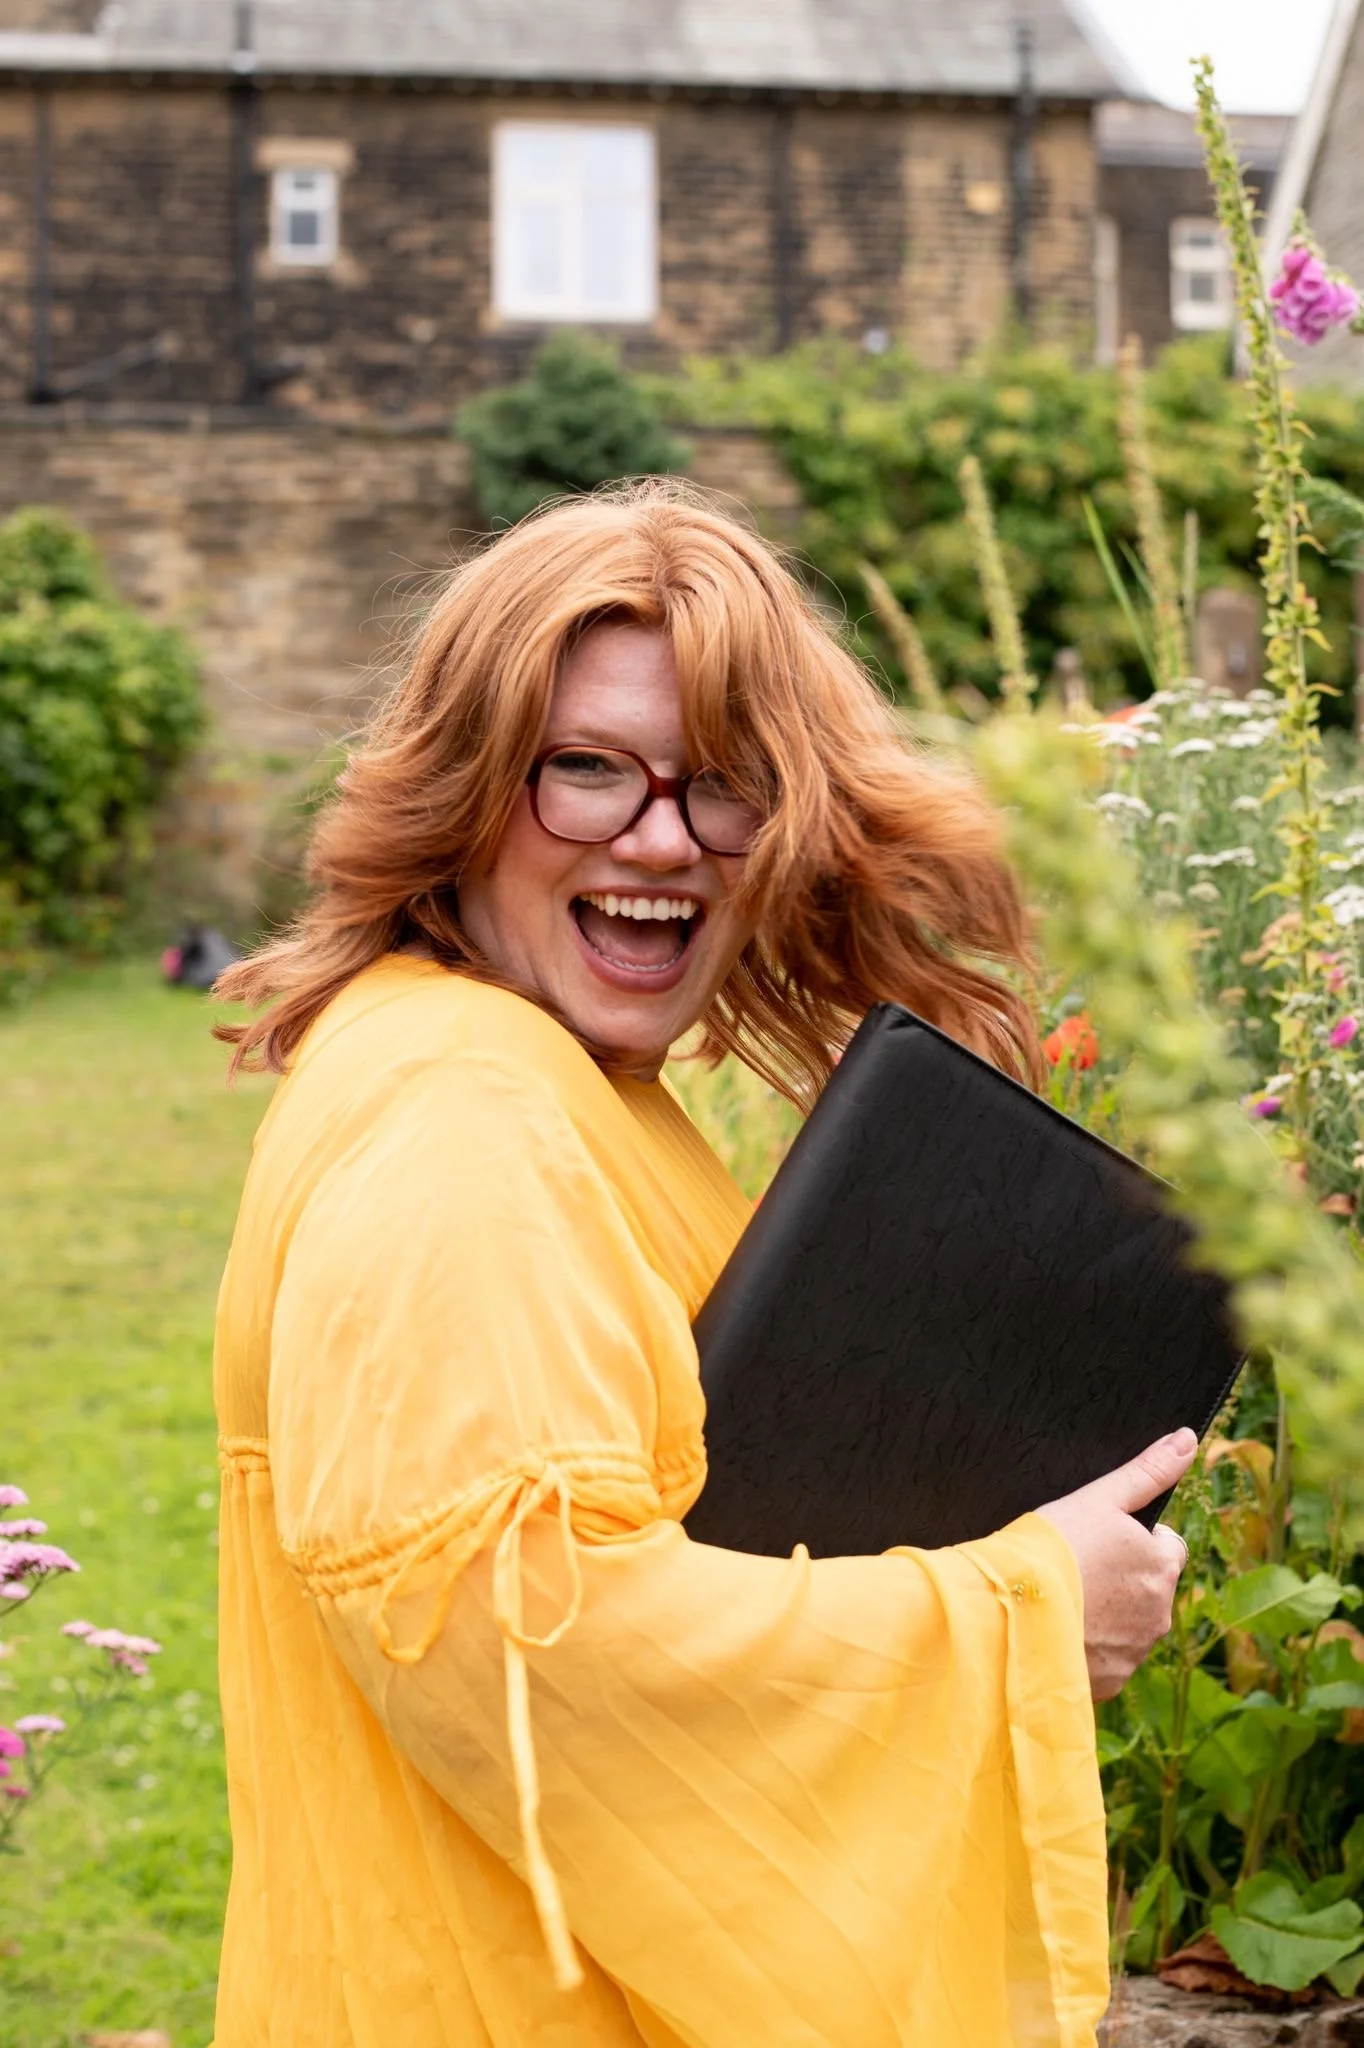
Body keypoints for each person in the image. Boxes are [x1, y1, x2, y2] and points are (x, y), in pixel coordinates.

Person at [211, 483, 1191, 2048]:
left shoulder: (545, 1076)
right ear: (464, 789)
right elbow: (539, 1660)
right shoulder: (469, 1121)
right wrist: (1021, 1609)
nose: (662, 838)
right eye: (584, 770)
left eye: (727, 785)